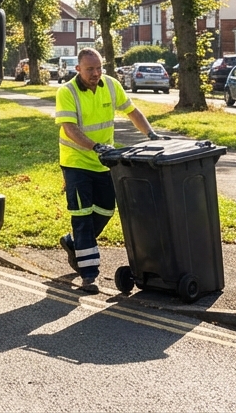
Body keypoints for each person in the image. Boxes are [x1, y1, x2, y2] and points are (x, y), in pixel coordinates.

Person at [53, 47, 158, 294]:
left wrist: (151, 134)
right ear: (78, 69)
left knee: (105, 209)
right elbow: (69, 128)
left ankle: (74, 242)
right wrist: (94, 146)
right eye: (90, 69)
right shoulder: (66, 91)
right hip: (76, 162)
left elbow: (132, 111)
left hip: (103, 162)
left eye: (99, 68)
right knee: (82, 215)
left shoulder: (110, 85)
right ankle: (89, 276)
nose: (96, 73)